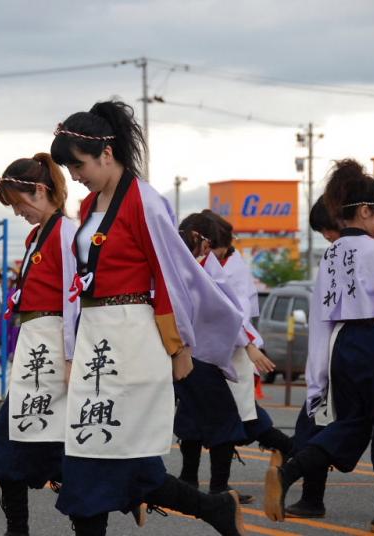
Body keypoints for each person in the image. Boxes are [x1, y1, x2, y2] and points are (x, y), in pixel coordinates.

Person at [51, 100, 246, 536]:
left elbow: (172, 277)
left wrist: (180, 346)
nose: (74, 176)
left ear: (106, 153)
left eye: (78, 165)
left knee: (102, 451)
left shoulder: (146, 202)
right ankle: (214, 508)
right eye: (68, 169)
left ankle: (213, 508)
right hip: (96, 335)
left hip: (133, 336)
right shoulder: (88, 206)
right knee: (114, 454)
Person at [264, 160, 374, 533]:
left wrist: (319, 367)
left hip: (340, 344)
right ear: (364, 210)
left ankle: (289, 472)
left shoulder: (331, 254)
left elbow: (321, 309)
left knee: (348, 422)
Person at [0, 153, 78, 536]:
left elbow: (73, 299)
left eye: (19, 202)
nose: (18, 211)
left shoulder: (67, 233)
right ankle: (17, 528)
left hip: (53, 350)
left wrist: (71, 356)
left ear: (40, 190)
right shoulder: (39, 235)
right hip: (36, 349)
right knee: (28, 445)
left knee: (35, 445)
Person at [201, 211, 294, 501]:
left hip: (233, 350)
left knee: (236, 419)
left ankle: (297, 455)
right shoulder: (212, 262)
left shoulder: (230, 267)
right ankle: (295, 452)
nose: (208, 251)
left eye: (212, 246)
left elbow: (237, 314)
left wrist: (251, 345)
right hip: (216, 349)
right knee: (226, 418)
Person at [174, 213, 259, 504]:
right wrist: (247, 344)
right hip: (202, 357)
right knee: (224, 422)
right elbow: (230, 313)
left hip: (181, 355)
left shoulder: (177, 265)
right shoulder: (201, 272)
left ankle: (187, 481)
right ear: (203, 241)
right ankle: (218, 487)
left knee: (191, 419)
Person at [284, 196, 340, 519]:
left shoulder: (370, 251)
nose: (327, 238)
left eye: (327, 230)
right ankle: (311, 497)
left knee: (332, 428)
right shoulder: (333, 256)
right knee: (312, 426)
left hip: (345, 356)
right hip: (327, 356)